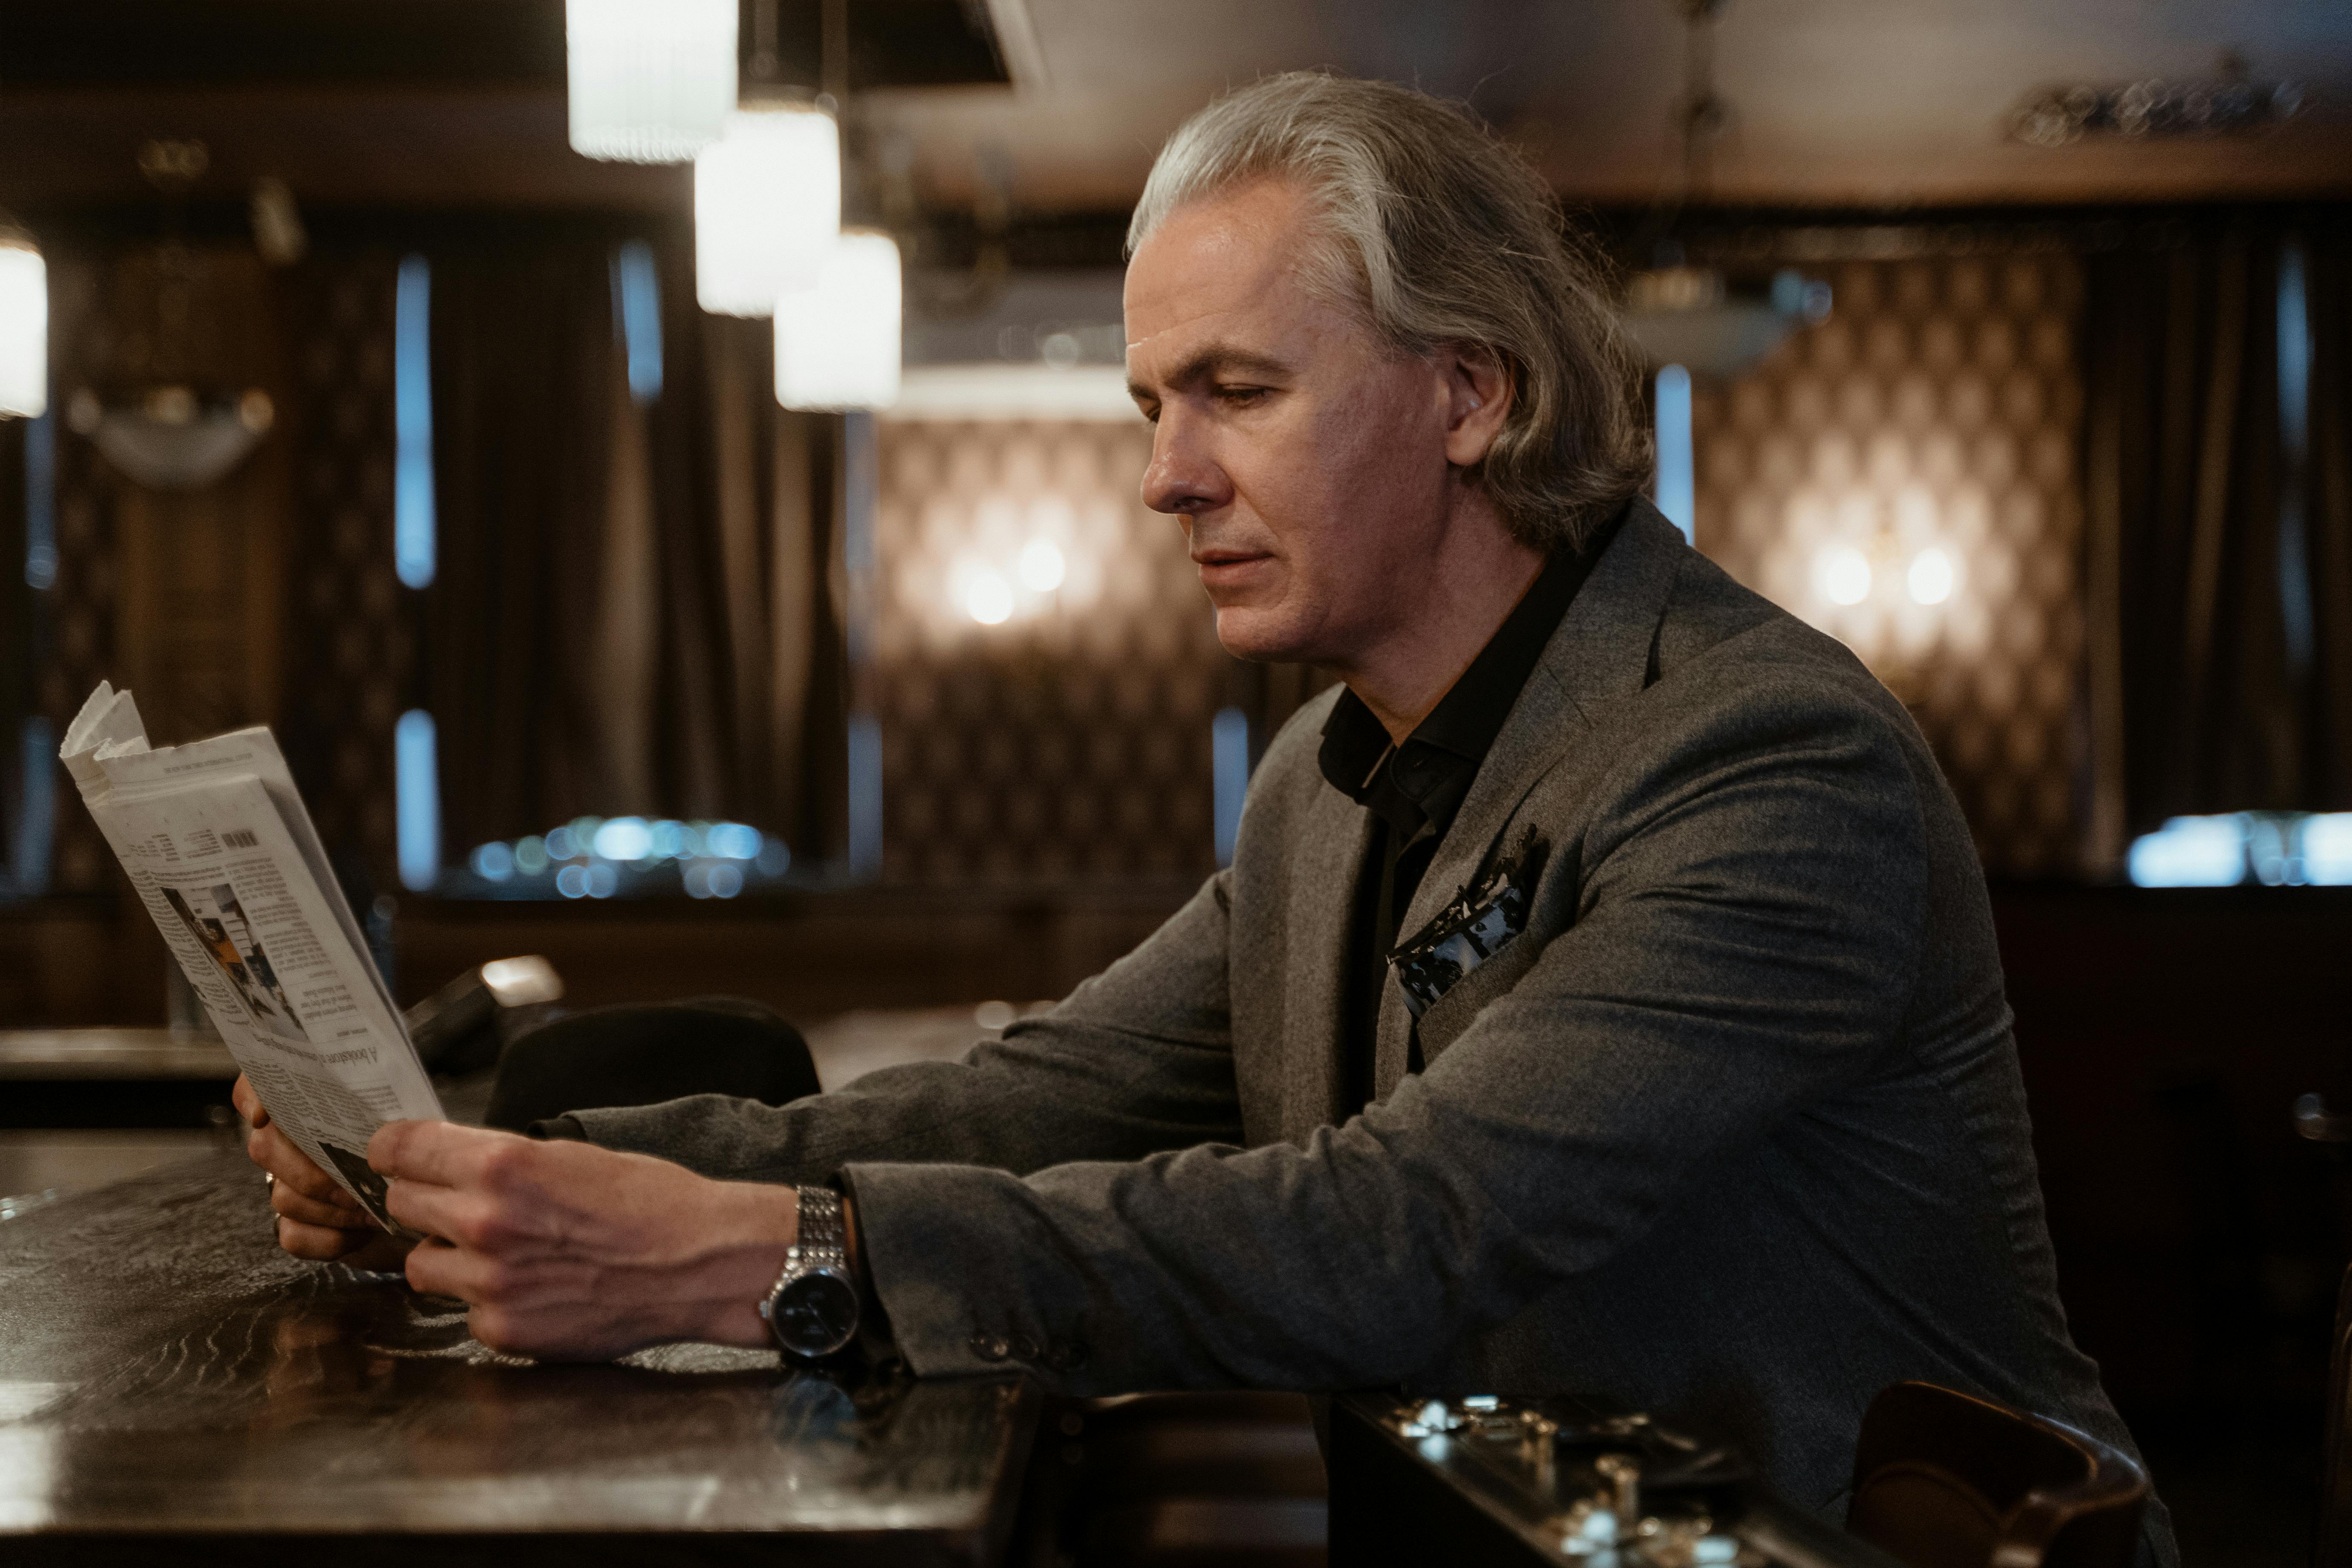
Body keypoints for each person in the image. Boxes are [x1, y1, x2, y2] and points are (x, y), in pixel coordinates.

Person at [241, 71, 2173, 1553]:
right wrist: (479, 1156)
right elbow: (1032, 1094)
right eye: (1152, 406)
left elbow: (1400, 1228)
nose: (1165, 479)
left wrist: (759, 1252)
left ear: (1472, 394)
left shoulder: (1763, 759)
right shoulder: (1329, 768)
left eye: (1236, 392)